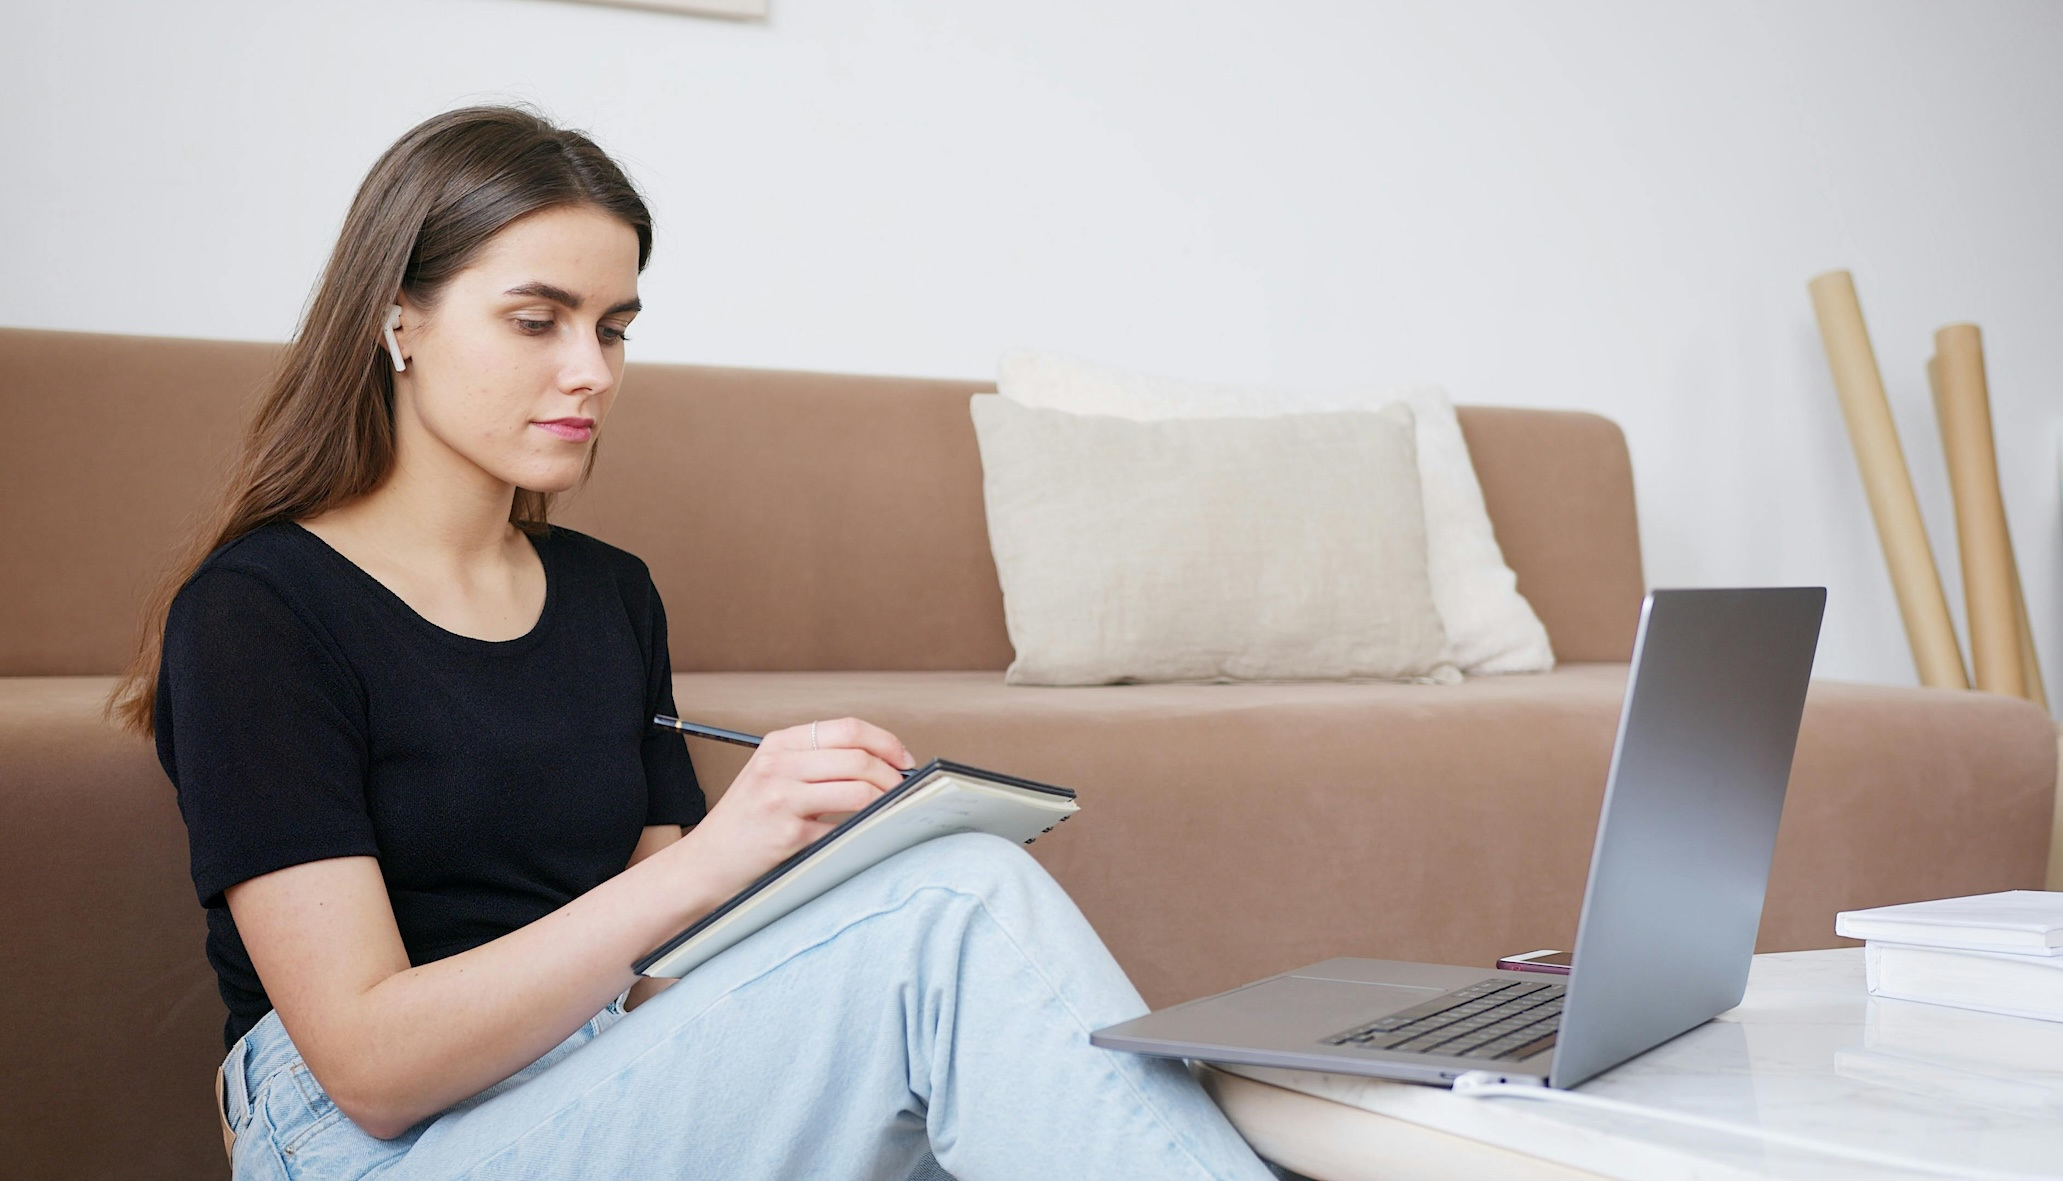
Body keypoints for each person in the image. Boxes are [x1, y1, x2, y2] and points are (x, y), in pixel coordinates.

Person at [108, 106, 1274, 1180]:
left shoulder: (611, 595)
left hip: (593, 1072)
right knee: (955, 909)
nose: (589, 371)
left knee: (939, 907)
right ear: (395, 318)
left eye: (613, 328)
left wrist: (819, 872)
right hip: (372, 1143)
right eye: (536, 319)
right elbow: (370, 1065)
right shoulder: (258, 611)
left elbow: (665, 975)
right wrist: (724, 852)